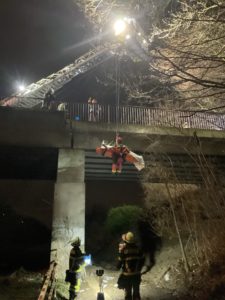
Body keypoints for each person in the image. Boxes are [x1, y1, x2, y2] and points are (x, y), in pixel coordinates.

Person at [117, 232, 145, 300]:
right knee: (136, 293)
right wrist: (139, 269)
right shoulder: (138, 249)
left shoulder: (124, 249)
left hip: (127, 275)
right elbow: (142, 260)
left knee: (128, 293)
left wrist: (118, 267)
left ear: (126, 239)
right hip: (136, 275)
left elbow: (119, 263)